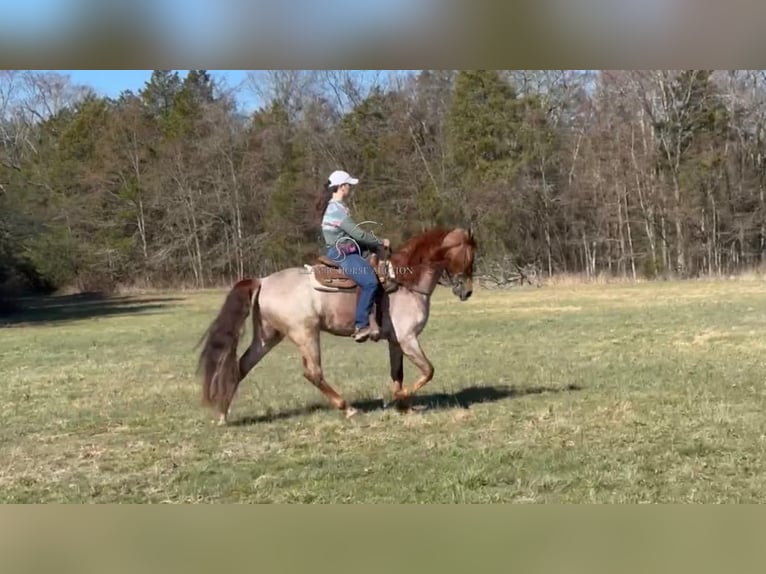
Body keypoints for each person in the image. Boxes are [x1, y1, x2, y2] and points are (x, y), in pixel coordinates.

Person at [317, 170, 390, 342]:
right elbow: (359, 235)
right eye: (348, 185)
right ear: (342, 187)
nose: (350, 188)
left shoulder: (337, 207)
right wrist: (380, 242)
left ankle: (375, 318)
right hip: (342, 253)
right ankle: (361, 324)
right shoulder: (337, 210)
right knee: (370, 281)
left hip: (346, 248)